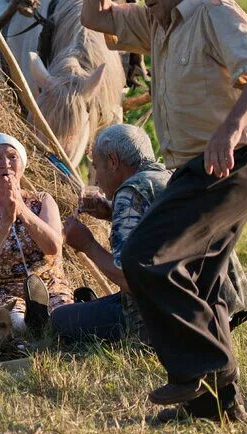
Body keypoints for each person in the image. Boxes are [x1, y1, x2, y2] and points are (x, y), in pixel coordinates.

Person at [81, 0, 247, 423]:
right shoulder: (159, 21)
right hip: (197, 166)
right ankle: (218, 407)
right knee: (203, 281)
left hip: (231, 162)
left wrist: (230, 129)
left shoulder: (217, 13)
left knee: (145, 256)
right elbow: (96, 19)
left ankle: (200, 370)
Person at [53, 124, 170, 342]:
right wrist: (112, 213)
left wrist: (87, 244)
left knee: (60, 320)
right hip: (201, 309)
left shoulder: (129, 192)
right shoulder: (168, 176)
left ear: (114, 162)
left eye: (97, 167)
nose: (96, 179)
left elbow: (130, 280)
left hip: (159, 320)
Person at [0, 132, 71, 335]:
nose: (5, 163)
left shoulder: (43, 201)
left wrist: (21, 209)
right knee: (15, 324)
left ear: (22, 165)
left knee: (65, 320)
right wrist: (5, 221)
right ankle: (32, 325)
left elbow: (53, 248)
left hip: (48, 285)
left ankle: (47, 316)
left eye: (12, 156)